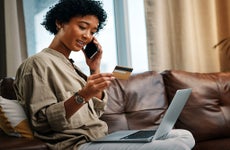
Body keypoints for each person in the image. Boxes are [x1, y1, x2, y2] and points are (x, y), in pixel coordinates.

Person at [14, 0, 195, 149]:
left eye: (93, 32)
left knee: (183, 135)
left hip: (102, 138)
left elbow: (96, 111)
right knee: (175, 146)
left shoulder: (71, 66)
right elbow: (43, 123)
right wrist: (82, 95)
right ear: (60, 22)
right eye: (83, 27)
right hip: (78, 145)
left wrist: (94, 69)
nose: (87, 36)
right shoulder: (37, 64)